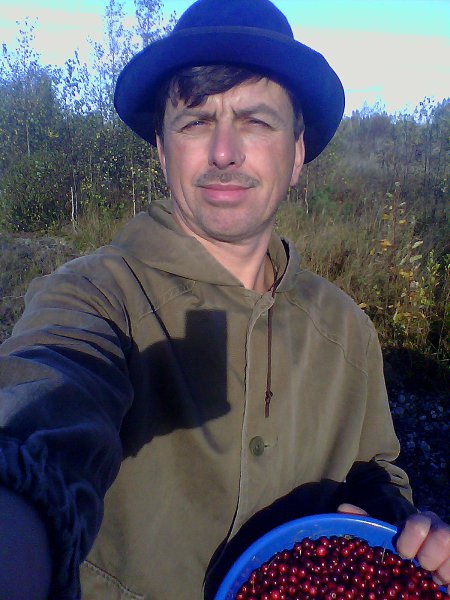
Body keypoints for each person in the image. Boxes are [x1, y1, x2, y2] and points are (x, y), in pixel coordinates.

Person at [0, 0, 449, 598]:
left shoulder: (347, 328)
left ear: (297, 154)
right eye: (195, 122)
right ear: (163, 150)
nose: (223, 152)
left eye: (256, 121)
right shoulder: (94, 297)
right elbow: (41, 409)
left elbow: (378, 472)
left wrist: (399, 533)